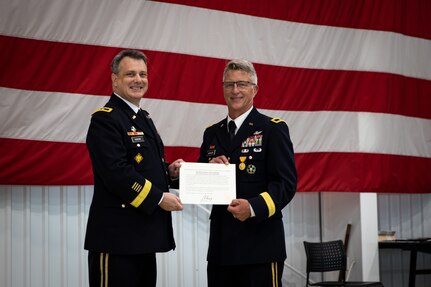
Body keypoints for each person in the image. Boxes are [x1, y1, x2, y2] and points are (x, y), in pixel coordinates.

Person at [84, 49, 184, 287]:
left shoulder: (142, 118)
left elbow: (144, 166)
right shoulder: (106, 119)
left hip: (143, 238)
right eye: (130, 74)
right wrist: (159, 198)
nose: (138, 80)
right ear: (115, 79)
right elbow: (117, 173)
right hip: (116, 239)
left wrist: (169, 171)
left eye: (143, 74)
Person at [198, 59, 297, 287]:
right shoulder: (211, 133)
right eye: (229, 85)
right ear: (222, 89)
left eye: (242, 84)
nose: (235, 90)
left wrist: (253, 207)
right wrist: (205, 171)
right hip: (221, 248)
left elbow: (286, 184)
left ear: (254, 89)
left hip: (260, 246)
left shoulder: (273, 129)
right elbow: (201, 183)